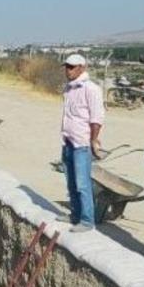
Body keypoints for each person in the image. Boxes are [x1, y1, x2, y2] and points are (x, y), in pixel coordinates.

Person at [56, 54, 105, 233]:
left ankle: (87, 220)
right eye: (67, 67)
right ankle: (75, 214)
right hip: (68, 139)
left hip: (81, 143)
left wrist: (94, 139)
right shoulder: (69, 89)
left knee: (82, 183)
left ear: (82, 68)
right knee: (71, 182)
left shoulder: (91, 89)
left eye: (72, 67)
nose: (68, 70)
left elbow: (96, 118)